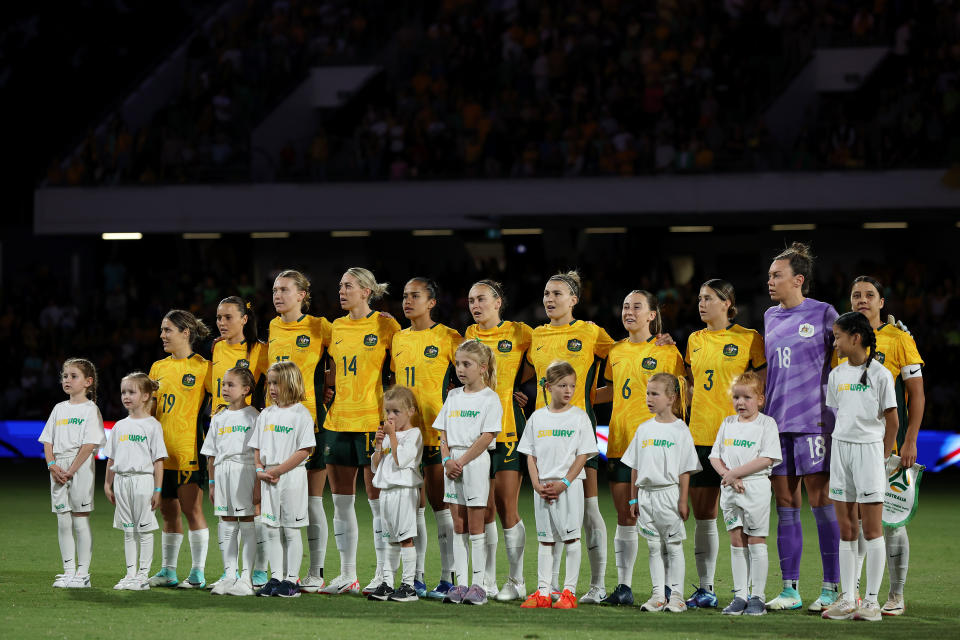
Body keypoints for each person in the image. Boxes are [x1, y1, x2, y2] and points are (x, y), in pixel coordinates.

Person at [526, 270, 614, 604]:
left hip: (578, 433)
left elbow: (626, 361)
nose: (549, 299)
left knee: (588, 510)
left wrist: (591, 399)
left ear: (574, 299)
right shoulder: (534, 336)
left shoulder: (591, 333)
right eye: (546, 293)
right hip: (544, 433)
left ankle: (596, 586)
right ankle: (548, 588)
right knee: (549, 513)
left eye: (558, 294)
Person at [764, 243, 842, 612]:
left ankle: (831, 587)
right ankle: (790, 590)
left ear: (798, 280)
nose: (770, 280)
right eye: (769, 275)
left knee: (822, 502)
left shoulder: (825, 313)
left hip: (815, 422)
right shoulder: (768, 317)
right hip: (776, 425)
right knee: (785, 504)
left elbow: (850, 350)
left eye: (777, 275)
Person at [595, 290, 685, 605]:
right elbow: (611, 390)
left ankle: (670, 590)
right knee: (625, 515)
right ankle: (624, 587)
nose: (629, 311)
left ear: (651, 315)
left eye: (637, 306)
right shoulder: (615, 351)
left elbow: (681, 394)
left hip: (657, 445)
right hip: (620, 441)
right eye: (624, 306)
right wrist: (576, 397)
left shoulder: (667, 351)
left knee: (664, 519)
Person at [684, 280, 765, 609]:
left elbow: (762, 387)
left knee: (743, 518)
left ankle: (745, 591)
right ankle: (705, 589)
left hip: (736, 440)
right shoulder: (694, 340)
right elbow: (690, 384)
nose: (701, 303)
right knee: (704, 516)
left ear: (727, 303)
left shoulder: (749, 338)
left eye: (709, 298)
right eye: (700, 298)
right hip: (699, 437)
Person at [322, 267, 400, 595]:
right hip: (338, 422)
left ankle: (384, 574)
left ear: (366, 291)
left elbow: (398, 372)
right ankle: (347, 574)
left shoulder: (385, 324)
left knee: (377, 502)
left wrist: (393, 418)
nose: (342, 291)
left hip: (372, 423)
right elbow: (331, 371)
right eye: (340, 285)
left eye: (349, 286)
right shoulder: (335, 327)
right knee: (341, 502)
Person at [849, 276, 924, 615]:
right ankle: (856, 595)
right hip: (852, 444)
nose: (862, 300)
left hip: (888, 444)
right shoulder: (844, 337)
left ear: (882, 302)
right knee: (857, 521)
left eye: (869, 295)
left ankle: (896, 595)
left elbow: (917, 394)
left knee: (890, 520)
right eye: (856, 295)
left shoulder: (898, 338)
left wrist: (909, 440)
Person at [821, 312, 898, 622]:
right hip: (841, 449)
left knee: (872, 529)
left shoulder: (881, 375)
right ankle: (848, 598)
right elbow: (840, 415)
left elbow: (892, 421)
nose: (834, 341)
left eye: (838, 336)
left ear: (855, 338)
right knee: (847, 529)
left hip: (868, 453)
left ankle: (871, 602)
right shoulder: (837, 375)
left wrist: (881, 458)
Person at [391, 277, 462, 598]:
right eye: (405, 296)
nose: (408, 301)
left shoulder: (449, 337)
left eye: (415, 296)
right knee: (412, 507)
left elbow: (474, 373)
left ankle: (448, 577)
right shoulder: (397, 339)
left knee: (440, 505)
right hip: (407, 436)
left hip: (436, 433)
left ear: (432, 302)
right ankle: (416, 577)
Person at [464, 279, 534, 601]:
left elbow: (538, 366)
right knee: (485, 507)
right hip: (478, 433)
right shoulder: (469, 335)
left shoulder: (520, 333)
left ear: (498, 302)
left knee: (507, 507)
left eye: (481, 299)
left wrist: (524, 392)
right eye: (470, 301)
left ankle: (517, 580)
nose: (475, 305)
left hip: (507, 430)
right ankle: (488, 580)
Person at [268, 270, 332, 592]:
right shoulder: (273, 327)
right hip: (275, 426)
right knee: (278, 502)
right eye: (275, 290)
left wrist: (330, 388)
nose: (278, 295)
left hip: (308, 424)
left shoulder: (321, 327)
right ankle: (282, 573)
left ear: (302, 295)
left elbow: (349, 353)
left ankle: (316, 571)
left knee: (311, 501)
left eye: (284, 290)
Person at [517, 361, 597, 610]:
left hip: (569, 488)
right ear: (548, 386)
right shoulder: (537, 418)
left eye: (572, 385)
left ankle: (569, 592)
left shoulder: (579, 417)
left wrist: (564, 483)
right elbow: (530, 455)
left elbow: (582, 455)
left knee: (571, 539)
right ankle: (543, 591)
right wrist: (536, 484)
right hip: (542, 488)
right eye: (562, 385)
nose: (568, 390)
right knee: (545, 540)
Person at [622, 373, 700, 613]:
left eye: (655, 394)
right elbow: (635, 466)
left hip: (669, 495)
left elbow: (685, 470)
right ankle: (658, 595)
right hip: (646, 496)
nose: (649, 398)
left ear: (671, 398)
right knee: (654, 547)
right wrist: (633, 498)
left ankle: (676, 596)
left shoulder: (680, 430)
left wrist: (683, 500)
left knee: (674, 546)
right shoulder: (643, 429)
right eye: (647, 393)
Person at [433, 340, 503, 605]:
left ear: (482, 368)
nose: (460, 369)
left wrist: (459, 460)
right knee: (458, 525)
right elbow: (443, 432)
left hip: (473, 462)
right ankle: (460, 585)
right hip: (452, 463)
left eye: (467, 364)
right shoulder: (453, 396)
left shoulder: (490, 398)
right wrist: (446, 460)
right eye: (458, 364)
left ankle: (478, 585)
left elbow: (487, 436)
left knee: (476, 525)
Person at [207, 296, 269, 591]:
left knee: (251, 514)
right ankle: (229, 573)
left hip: (248, 438)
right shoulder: (217, 347)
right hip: (222, 431)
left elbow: (271, 385)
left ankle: (255, 571)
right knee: (227, 515)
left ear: (244, 319)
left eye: (228, 317)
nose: (221, 323)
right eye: (218, 317)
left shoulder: (260, 350)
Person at [147, 309, 212, 589]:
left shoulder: (204, 367)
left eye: (167, 330)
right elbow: (151, 409)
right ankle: (168, 571)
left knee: (192, 510)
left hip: (189, 451)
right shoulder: (157, 368)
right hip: (162, 454)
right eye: (162, 330)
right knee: (168, 512)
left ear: (186, 332)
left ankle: (197, 572)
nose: (162, 335)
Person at [709, 372, 782, 616]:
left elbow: (767, 458)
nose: (740, 402)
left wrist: (734, 474)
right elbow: (714, 456)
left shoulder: (766, 424)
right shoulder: (727, 423)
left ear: (760, 399)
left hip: (756, 488)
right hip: (730, 489)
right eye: (736, 397)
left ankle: (758, 597)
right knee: (736, 539)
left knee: (756, 539)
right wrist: (727, 476)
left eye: (747, 397)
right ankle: (740, 595)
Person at [250, 362, 317, 598]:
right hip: (269, 477)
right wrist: (260, 469)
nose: (272, 388)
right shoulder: (266, 413)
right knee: (270, 529)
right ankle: (276, 576)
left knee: (290, 530)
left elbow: (304, 450)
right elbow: (257, 446)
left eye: (276, 382)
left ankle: (291, 580)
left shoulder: (301, 414)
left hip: (290, 477)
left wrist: (278, 471)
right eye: (269, 383)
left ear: (290, 383)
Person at [40, 358, 105, 589]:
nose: (67, 380)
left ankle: (83, 574)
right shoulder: (59, 408)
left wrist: (70, 471)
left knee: (79, 521)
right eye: (65, 376)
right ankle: (68, 571)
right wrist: (52, 465)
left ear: (88, 382)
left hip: (80, 467)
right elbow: (47, 440)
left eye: (73, 376)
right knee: (63, 521)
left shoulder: (90, 409)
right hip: (58, 468)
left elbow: (89, 445)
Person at [103, 372, 166, 591]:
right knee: (128, 530)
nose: (126, 396)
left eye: (132, 391)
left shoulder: (152, 426)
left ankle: (142, 575)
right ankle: (130, 574)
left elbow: (158, 461)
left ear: (146, 395)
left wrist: (157, 490)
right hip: (122, 482)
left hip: (143, 482)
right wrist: (107, 484)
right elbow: (111, 457)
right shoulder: (119, 426)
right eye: (123, 392)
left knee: (144, 530)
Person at [200, 367, 260, 596]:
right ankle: (229, 575)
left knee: (246, 520)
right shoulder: (219, 417)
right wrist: (212, 482)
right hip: (223, 471)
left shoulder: (254, 416)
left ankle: (246, 577)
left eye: (231, 385)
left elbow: (258, 452)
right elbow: (211, 453)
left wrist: (257, 483)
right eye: (223, 384)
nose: (225, 389)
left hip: (245, 469)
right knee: (226, 522)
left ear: (246, 390)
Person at [368, 386, 424, 603]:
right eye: (387, 412)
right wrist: (379, 445)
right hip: (386, 492)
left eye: (396, 412)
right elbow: (375, 466)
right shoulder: (391, 435)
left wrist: (391, 437)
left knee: (405, 539)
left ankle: (408, 585)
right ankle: (388, 583)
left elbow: (402, 460)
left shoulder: (413, 434)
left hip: (404, 491)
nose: (390, 417)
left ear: (410, 411)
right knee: (389, 539)